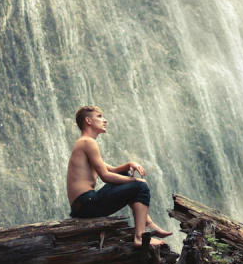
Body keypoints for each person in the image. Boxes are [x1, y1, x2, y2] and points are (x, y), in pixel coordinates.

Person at [67, 105, 172, 247]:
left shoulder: (84, 143)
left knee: (125, 175)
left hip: (82, 205)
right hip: (86, 204)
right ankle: (140, 237)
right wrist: (136, 181)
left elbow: (112, 170)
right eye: (99, 116)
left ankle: (147, 222)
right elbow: (105, 176)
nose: (105, 120)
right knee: (140, 186)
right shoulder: (88, 142)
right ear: (88, 121)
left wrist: (129, 164)